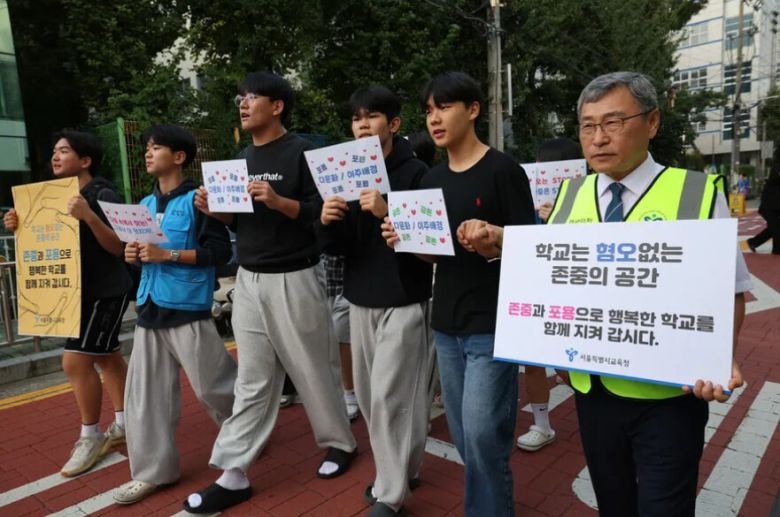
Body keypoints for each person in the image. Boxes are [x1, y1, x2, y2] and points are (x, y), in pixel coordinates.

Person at [460, 71, 752, 517]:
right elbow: (547, 271)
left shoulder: (693, 192)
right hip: (593, 391)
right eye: (587, 126)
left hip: (669, 398)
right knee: (613, 504)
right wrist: (500, 244)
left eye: (613, 123)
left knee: (664, 508)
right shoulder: (569, 196)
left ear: (652, 122)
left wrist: (718, 358)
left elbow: (729, 291)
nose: (597, 138)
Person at [185, 71, 357, 514]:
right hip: (249, 280)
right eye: (240, 98)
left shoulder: (304, 153)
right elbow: (240, 223)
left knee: (313, 368)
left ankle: (340, 444)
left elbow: (327, 213)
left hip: (296, 275)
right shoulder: (239, 159)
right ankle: (233, 471)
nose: (243, 104)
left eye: (252, 98)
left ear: (277, 105)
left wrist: (281, 201)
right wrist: (216, 212)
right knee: (252, 378)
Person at [382, 71, 535, 517]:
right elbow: (434, 258)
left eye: (444, 107)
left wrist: (494, 242)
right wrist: (407, 241)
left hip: (494, 324)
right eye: (429, 110)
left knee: (485, 432)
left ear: (472, 110)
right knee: (468, 435)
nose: (434, 118)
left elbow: (531, 250)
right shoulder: (430, 181)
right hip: (446, 325)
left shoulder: (504, 171)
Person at [318, 85, 433, 516]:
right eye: (356, 119)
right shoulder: (345, 175)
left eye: (372, 117)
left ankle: (390, 494)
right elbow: (336, 246)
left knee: (390, 397)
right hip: (360, 296)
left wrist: (389, 211)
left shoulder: (416, 172)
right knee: (369, 397)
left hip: (404, 298)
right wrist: (327, 220)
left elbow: (428, 241)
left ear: (394, 124)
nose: (362, 126)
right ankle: (406, 466)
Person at [113, 124, 237, 504]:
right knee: (145, 399)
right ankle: (153, 472)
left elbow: (219, 254)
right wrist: (132, 256)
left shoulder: (198, 200)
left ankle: (244, 438)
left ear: (179, 157)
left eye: (156, 148)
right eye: (146, 148)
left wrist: (167, 254)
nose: (148, 154)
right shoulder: (145, 207)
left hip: (187, 311)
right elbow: (140, 260)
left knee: (216, 388)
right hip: (151, 311)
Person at [3, 130, 132, 477]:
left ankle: (90, 436)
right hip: (75, 293)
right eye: (54, 151)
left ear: (85, 160)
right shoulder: (51, 196)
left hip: (104, 290)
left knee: (75, 362)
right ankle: (124, 424)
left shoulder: (102, 193)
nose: (55, 157)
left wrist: (89, 215)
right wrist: (19, 224)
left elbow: (119, 247)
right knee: (107, 355)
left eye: (64, 151)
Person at [516, 137, 582, 453]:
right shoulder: (528, 203)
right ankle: (541, 425)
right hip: (537, 291)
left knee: (571, 365)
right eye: (543, 170)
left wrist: (560, 219)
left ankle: (597, 412)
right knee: (533, 362)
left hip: (573, 295)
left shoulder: (588, 203)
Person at [747, 169, 780, 254]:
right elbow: (771, 200)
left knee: (772, 229)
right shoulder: (771, 184)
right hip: (768, 210)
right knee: (776, 228)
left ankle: (753, 242)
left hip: (774, 210)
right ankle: (777, 250)